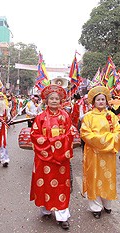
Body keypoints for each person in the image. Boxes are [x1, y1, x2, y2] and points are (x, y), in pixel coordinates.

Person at [29, 85, 73, 230]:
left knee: (61, 186)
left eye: (57, 99)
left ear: (61, 101)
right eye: (51, 98)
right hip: (44, 157)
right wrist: (52, 146)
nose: (54, 101)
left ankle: (62, 216)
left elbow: (70, 134)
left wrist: (56, 146)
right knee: (45, 183)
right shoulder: (40, 117)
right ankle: (46, 209)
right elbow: (35, 135)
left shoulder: (65, 116)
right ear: (46, 101)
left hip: (61, 159)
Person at [80, 86, 120, 219]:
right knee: (94, 177)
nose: (101, 102)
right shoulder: (88, 117)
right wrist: (104, 141)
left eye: (103, 99)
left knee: (107, 177)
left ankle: (107, 203)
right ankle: (95, 206)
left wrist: (104, 142)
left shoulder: (112, 116)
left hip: (108, 153)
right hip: (93, 152)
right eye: (98, 100)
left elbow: (118, 132)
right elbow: (85, 134)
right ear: (93, 102)